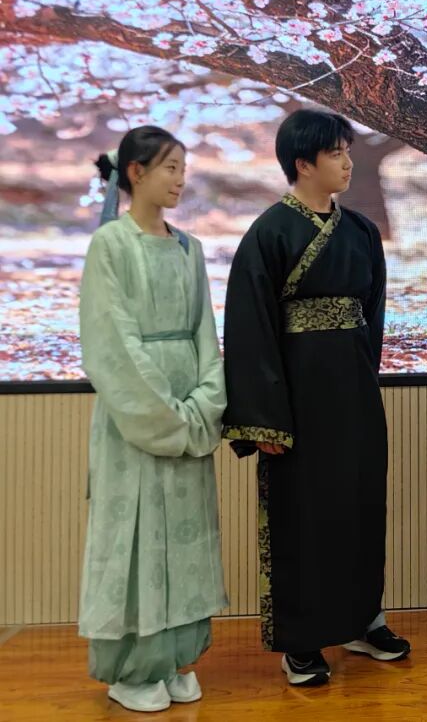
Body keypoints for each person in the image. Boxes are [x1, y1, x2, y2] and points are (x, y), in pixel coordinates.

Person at [222, 109, 408, 687]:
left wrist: (362, 380)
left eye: (348, 151)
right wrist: (265, 420)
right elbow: (250, 329)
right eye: (336, 153)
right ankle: (301, 639)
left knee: (360, 505)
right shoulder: (270, 232)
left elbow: (371, 317)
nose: (348, 162)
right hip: (297, 403)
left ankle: (362, 619)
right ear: (303, 163)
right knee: (302, 515)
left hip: (353, 392)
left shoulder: (361, 232)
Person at [78, 126, 227, 712]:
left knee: (186, 538)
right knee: (137, 538)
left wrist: (205, 404)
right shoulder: (110, 245)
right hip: (135, 418)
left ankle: (176, 659)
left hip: (189, 410)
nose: (180, 180)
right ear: (135, 173)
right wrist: (169, 416)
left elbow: (205, 334)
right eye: (169, 167)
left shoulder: (190, 248)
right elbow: (112, 342)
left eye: (183, 168)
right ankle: (135, 670)